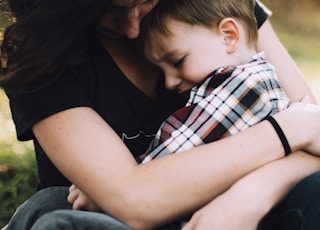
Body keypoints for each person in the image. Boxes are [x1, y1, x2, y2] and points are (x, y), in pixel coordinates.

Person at [1, 0, 320, 229]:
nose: (132, 29)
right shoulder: (39, 57)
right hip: (107, 219)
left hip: (240, 216)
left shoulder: (216, 9)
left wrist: (254, 193)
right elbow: (133, 200)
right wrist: (289, 129)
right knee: (52, 209)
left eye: (142, 2)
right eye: (108, 9)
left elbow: (316, 139)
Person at [137, 0, 289, 163]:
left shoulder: (243, 87)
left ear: (228, 36)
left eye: (177, 61)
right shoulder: (260, 78)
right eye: (161, 70)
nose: (168, 83)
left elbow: (162, 164)